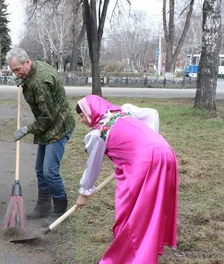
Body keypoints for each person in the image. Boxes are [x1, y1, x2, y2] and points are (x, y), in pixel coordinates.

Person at [75, 95, 178, 263]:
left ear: (92, 112)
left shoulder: (98, 133)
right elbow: (152, 113)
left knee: (129, 212)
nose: (81, 120)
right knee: (151, 206)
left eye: (82, 115)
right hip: (165, 152)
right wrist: (149, 140)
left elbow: (93, 165)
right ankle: (147, 247)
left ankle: (127, 258)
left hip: (142, 164)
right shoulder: (123, 110)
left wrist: (84, 192)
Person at [6, 48, 75, 226]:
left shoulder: (40, 83)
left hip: (58, 126)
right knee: (40, 169)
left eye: (18, 69)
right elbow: (45, 116)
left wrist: (27, 129)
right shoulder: (34, 70)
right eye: (13, 70)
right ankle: (43, 206)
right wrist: (23, 80)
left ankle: (60, 208)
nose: (16, 73)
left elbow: (47, 117)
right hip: (49, 127)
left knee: (50, 171)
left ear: (27, 62)